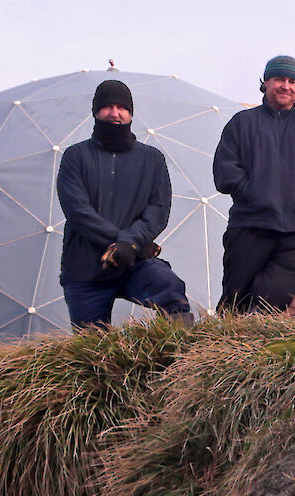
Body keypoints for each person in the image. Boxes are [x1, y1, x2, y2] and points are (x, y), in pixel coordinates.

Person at [56, 79, 193, 328]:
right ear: (96, 111)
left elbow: (158, 210)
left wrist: (129, 243)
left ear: (131, 113)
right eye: (108, 106)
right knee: (92, 348)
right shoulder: (75, 157)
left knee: (169, 288)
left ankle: (181, 361)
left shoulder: (151, 159)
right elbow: (77, 210)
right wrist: (127, 243)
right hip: (85, 268)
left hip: (135, 263)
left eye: (122, 107)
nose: (115, 113)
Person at [211, 55, 295, 313]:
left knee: (275, 301)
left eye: (292, 81)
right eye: (279, 79)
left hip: (293, 232)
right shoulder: (242, 122)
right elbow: (225, 171)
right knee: (235, 302)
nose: (285, 86)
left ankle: (263, 349)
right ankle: (228, 351)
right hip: (248, 227)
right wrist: (254, 194)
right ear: (265, 83)